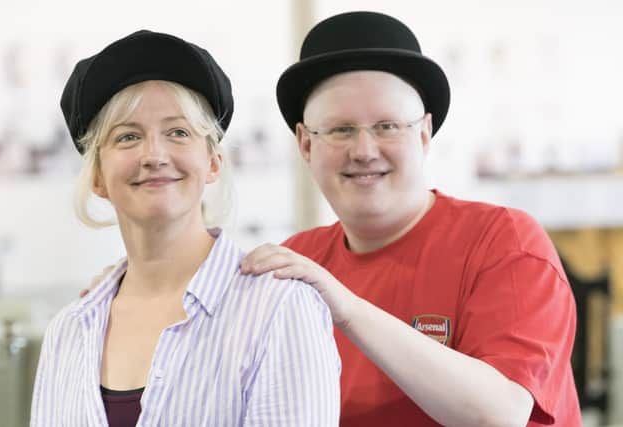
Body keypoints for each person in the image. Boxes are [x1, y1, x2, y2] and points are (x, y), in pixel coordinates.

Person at [239, 11, 581, 427]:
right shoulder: (298, 261)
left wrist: (346, 307)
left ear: (423, 134)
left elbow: (500, 414)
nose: (364, 150)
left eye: (387, 126)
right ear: (305, 144)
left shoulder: (503, 241)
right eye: (340, 130)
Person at [31, 30, 340, 427]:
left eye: (178, 132)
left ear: (212, 162)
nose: (154, 155)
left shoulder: (279, 308)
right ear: (97, 177)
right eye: (127, 136)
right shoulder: (69, 330)